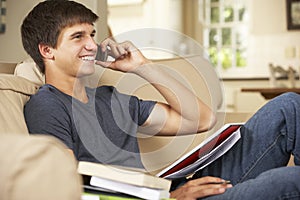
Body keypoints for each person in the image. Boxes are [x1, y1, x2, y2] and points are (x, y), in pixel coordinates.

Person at [22, 1, 300, 199]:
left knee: (289, 106)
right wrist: (170, 198)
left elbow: (201, 119)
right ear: (47, 50)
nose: (93, 45)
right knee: (290, 180)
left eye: (92, 34)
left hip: (176, 188)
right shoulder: (48, 105)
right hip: (169, 198)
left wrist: (141, 66)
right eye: (78, 37)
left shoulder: (110, 99)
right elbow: (67, 187)